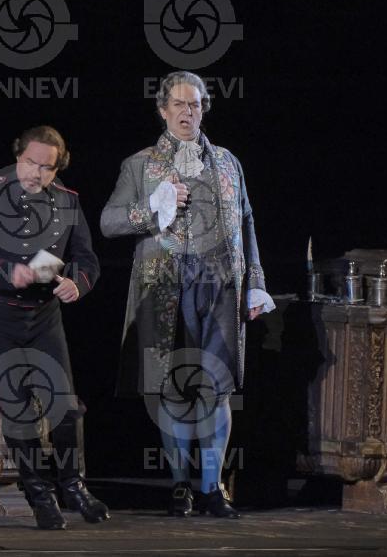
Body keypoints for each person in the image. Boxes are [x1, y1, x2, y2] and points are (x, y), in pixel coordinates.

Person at [100, 71, 274, 519]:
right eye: (178, 104)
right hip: (165, 287)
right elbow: (109, 222)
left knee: (217, 388)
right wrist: (150, 207)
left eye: (194, 104)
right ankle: (180, 485)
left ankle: (213, 487)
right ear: (163, 110)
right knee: (174, 387)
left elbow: (247, 221)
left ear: (203, 109)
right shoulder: (140, 165)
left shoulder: (228, 162)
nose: (187, 112)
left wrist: (256, 281)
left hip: (220, 288)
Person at [0, 125, 109, 530]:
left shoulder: (68, 201)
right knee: (18, 410)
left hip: (42, 316)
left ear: (58, 169)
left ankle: (74, 486)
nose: (36, 173)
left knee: (65, 407)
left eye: (46, 168)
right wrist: (6, 273)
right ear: (18, 156)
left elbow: (86, 259)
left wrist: (77, 283)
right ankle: (40, 496)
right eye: (30, 163)